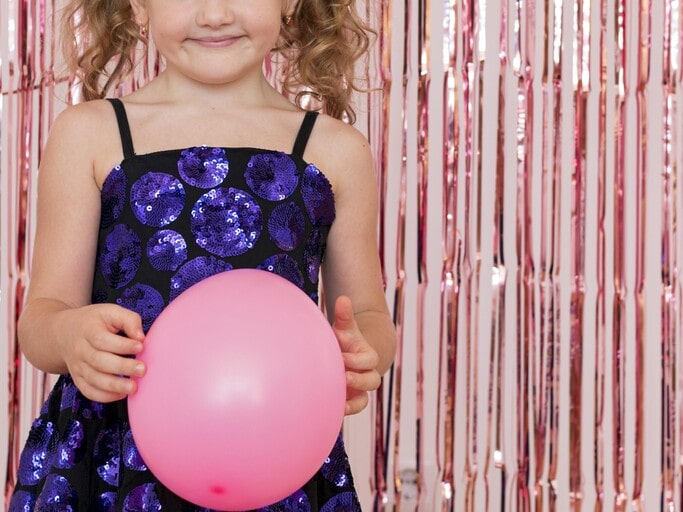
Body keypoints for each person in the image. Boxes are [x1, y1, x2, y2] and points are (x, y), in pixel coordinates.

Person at [8, 0, 397, 509]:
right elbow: (41, 318)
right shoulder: (90, 133)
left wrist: (362, 351)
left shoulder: (336, 150)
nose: (214, 15)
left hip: (273, 456)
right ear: (138, 7)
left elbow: (368, 314)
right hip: (112, 462)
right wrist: (70, 335)